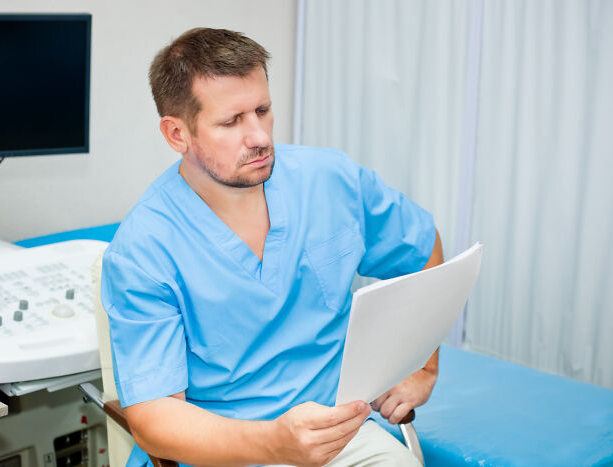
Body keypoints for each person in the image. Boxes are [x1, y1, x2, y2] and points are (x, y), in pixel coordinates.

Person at [101, 27, 444, 467]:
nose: (260, 136)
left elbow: (422, 248)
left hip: (341, 435)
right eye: (231, 121)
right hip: (223, 451)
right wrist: (274, 444)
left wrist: (423, 366)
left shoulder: (331, 180)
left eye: (263, 110)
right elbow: (154, 418)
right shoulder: (143, 249)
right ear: (177, 134)